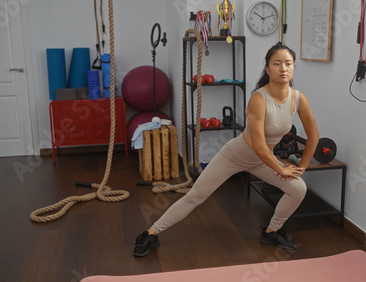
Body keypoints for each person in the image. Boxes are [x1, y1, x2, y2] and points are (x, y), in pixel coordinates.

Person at [133, 43, 319, 257]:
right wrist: (280, 168)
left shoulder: (298, 98)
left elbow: (313, 136)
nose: (283, 68)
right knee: (196, 196)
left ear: (294, 67)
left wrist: (301, 167)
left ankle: (272, 231)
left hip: (262, 160)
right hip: (235, 156)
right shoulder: (259, 99)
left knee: (298, 188)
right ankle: (151, 232)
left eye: (288, 63)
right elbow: (258, 146)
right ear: (267, 69)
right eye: (277, 64)